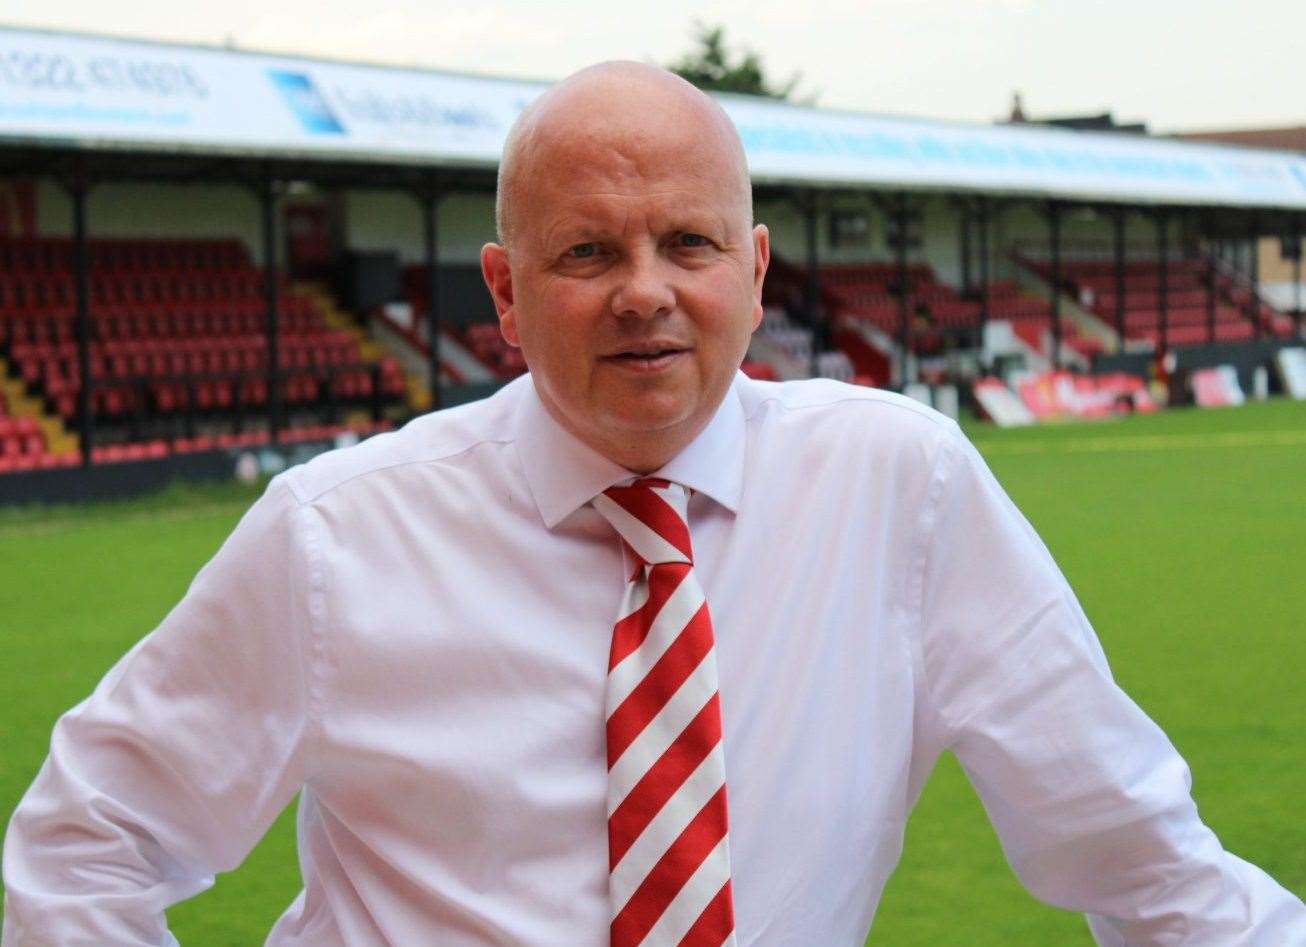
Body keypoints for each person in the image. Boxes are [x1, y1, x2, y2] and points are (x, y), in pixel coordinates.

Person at [4, 62, 1304, 946]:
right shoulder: (335, 536)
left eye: (685, 243)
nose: (644, 292)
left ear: (752, 272)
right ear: (503, 296)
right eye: (586, 253)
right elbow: (83, 849)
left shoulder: (897, 485)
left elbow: (1135, 852)